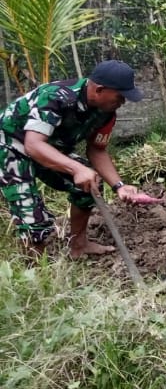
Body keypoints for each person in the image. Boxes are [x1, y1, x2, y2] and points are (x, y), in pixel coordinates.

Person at [0, 60, 154, 256]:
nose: (122, 102)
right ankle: (37, 274)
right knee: (32, 218)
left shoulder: (106, 113)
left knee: (90, 185)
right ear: (99, 89)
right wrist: (76, 168)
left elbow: (97, 150)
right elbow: (33, 144)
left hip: (48, 147)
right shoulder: (56, 97)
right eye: (120, 96)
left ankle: (78, 246)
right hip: (10, 146)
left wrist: (119, 186)